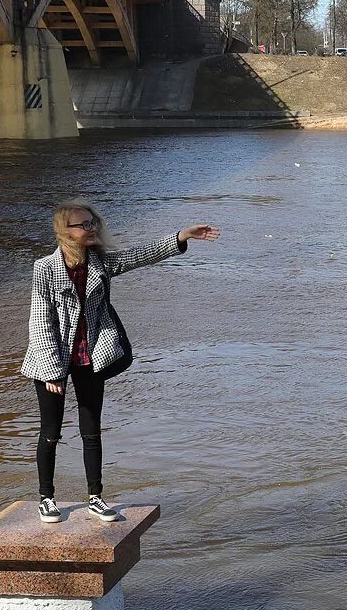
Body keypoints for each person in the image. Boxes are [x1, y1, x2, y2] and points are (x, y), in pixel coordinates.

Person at [21, 200, 219, 524]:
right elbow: (41, 323)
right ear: (65, 231)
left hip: (90, 356)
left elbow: (139, 255)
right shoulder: (44, 269)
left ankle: (95, 497)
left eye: (92, 222)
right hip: (53, 359)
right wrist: (51, 371)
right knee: (51, 432)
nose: (91, 228)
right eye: (83, 224)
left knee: (91, 430)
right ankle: (46, 498)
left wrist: (182, 236)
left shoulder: (99, 263)